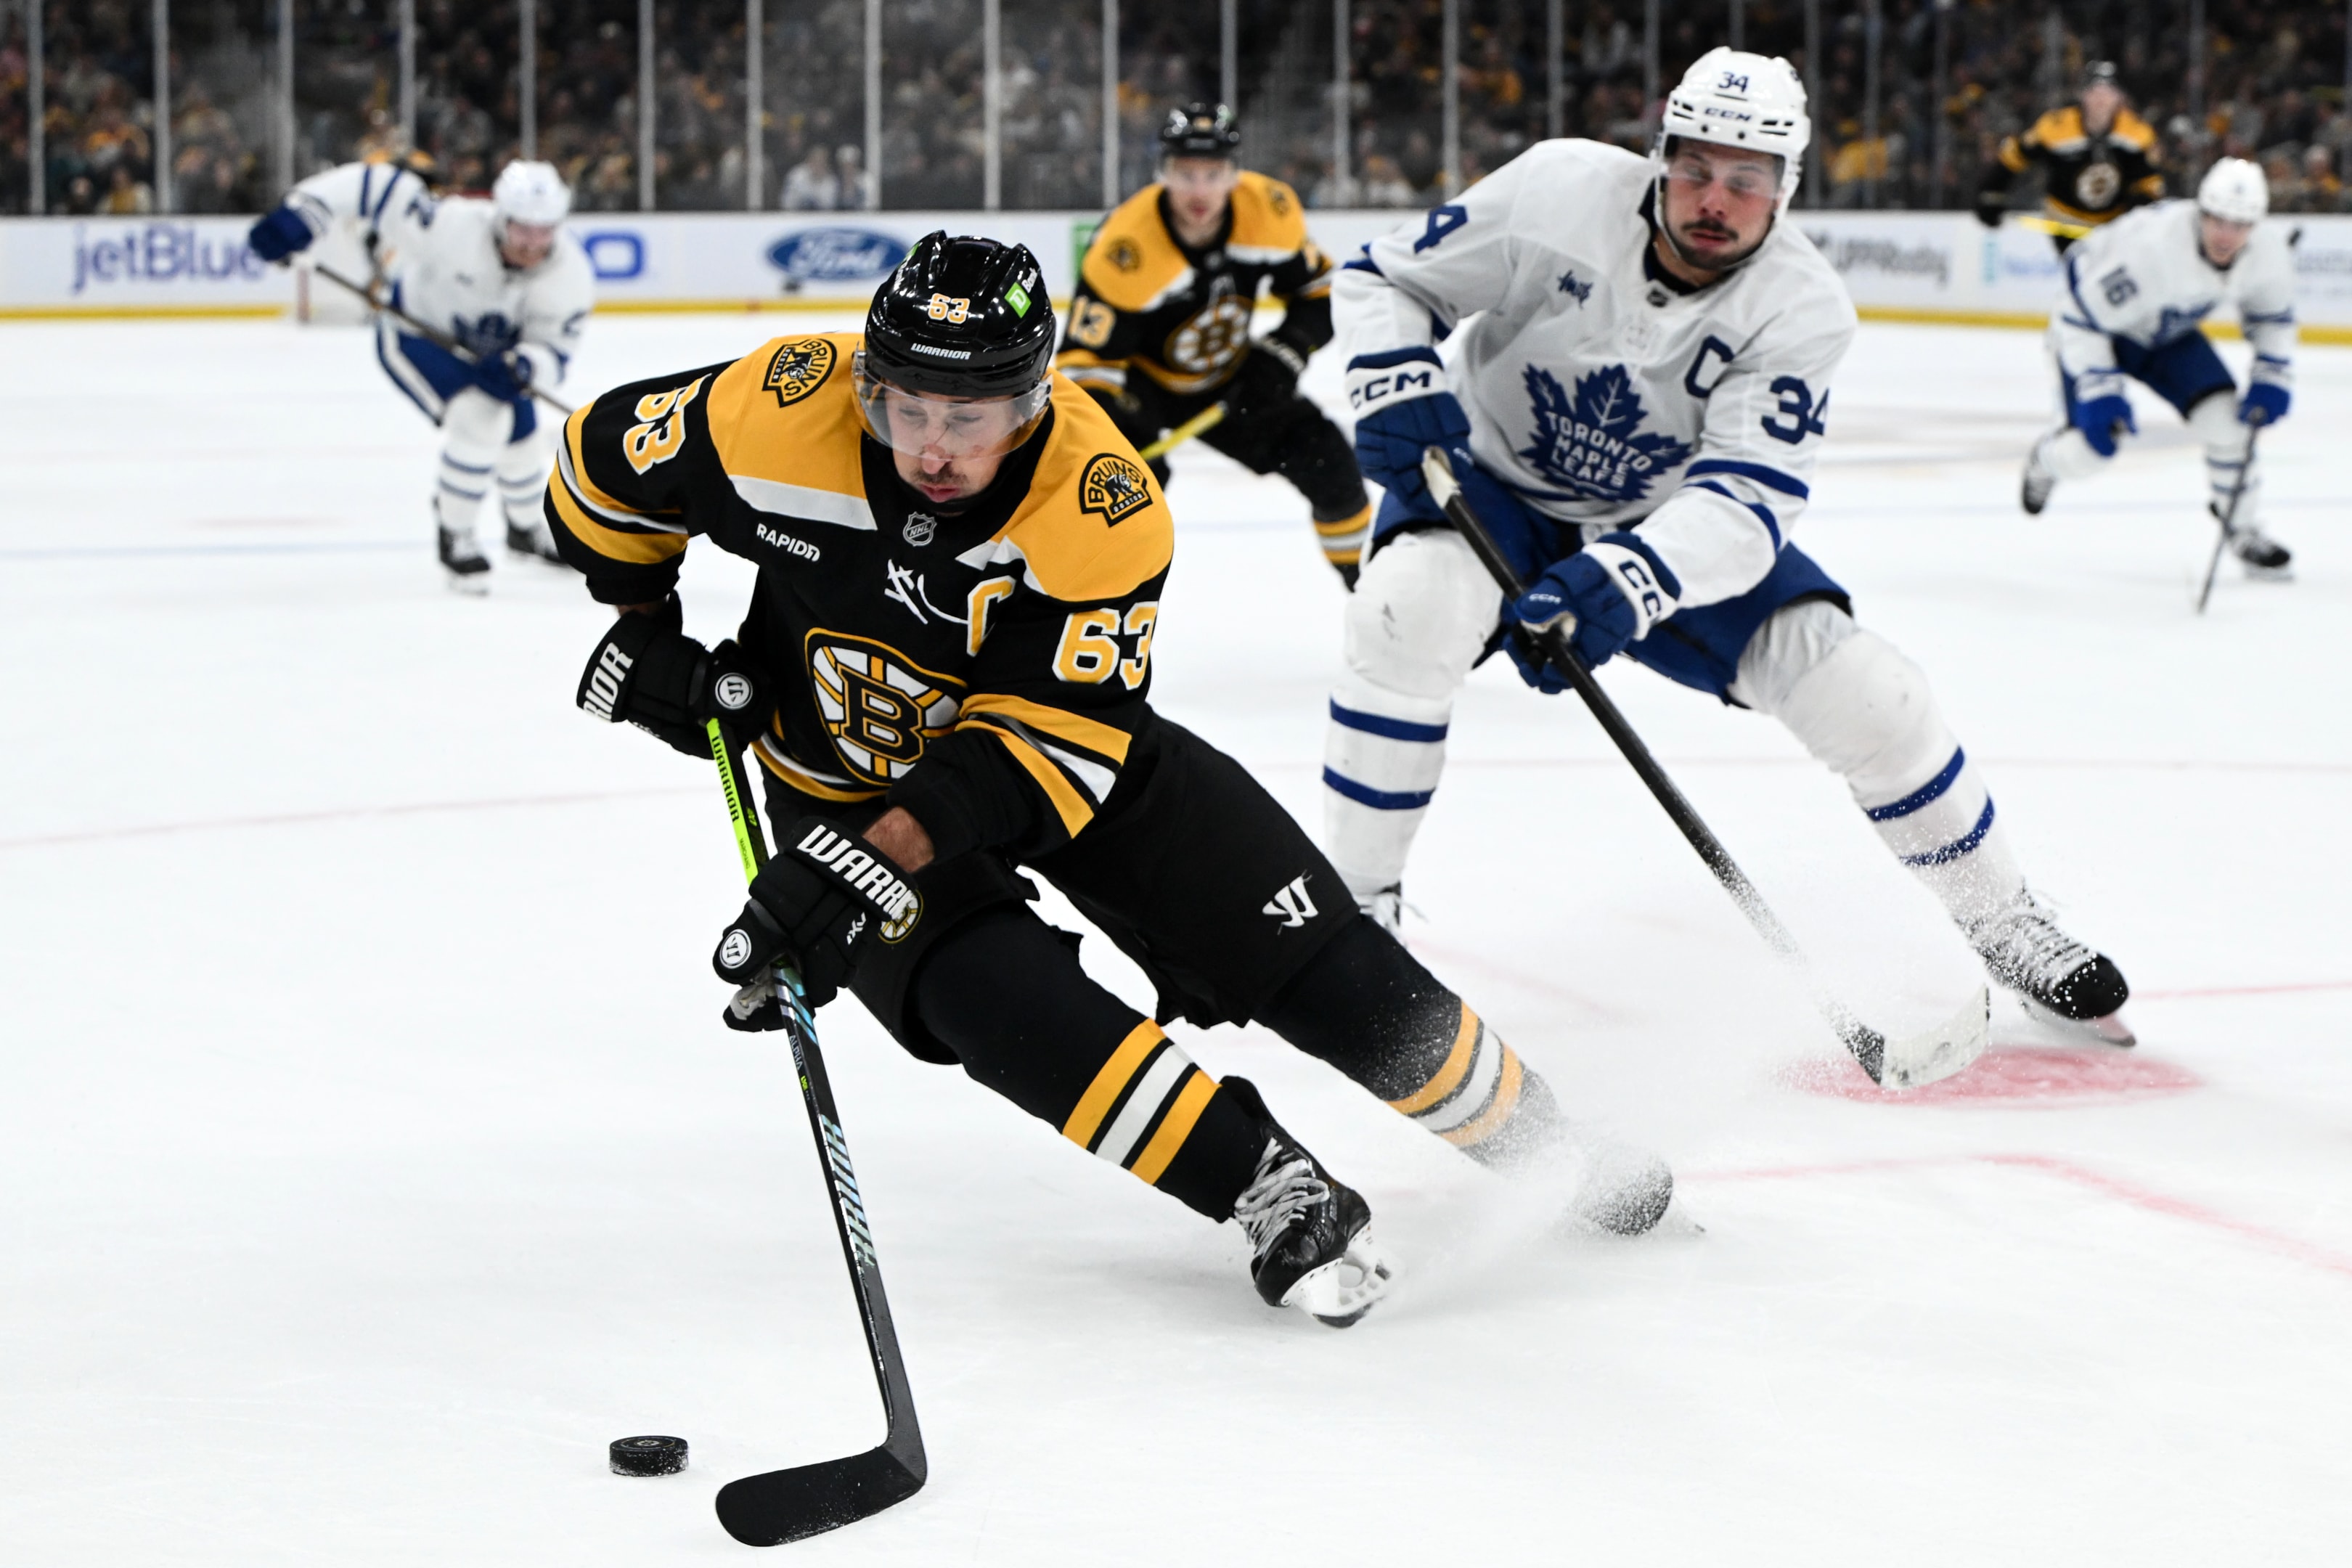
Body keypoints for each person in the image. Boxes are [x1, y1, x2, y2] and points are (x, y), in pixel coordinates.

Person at [547, 233, 1674, 1328]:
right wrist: (649, 630)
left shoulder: (1102, 503)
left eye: (968, 418)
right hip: (837, 780)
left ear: (1031, 402)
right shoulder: (778, 407)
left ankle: (1546, 1146)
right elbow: (598, 463)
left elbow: (1048, 744)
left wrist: (852, 876)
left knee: (1315, 956)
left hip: (1065, 763)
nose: (931, 447)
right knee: (995, 1005)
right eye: (906, 410)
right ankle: (1267, 1184)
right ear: (869, 384)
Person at [1327, 49, 2135, 1043]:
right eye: (1698, 169)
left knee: (1877, 699)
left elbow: (1747, 496)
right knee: (1406, 613)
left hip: (1662, 524)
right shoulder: (1557, 191)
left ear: (1784, 189)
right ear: (1660, 156)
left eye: (1748, 182)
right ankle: (1353, 920)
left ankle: (2004, 920)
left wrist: (1624, 578)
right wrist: (1394, 375)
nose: (1717, 199)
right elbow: (1386, 275)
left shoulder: (1802, 309)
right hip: (1493, 486)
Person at [1055, 103, 1372, 586]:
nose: (1199, 190)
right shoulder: (1126, 246)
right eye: (1186, 174)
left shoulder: (1268, 210)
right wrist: (1113, 435)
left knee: (1329, 464)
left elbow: (1323, 293)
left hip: (1234, 381)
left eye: (1213, 173)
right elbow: (1084, 362)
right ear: (1163, 173)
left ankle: (1372, 593)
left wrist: (1284, 352)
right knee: (1120, 500)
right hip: (1141, 390)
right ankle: (1101, 609)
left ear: (1234, 173)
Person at [248, 158, 595, 589]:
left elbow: (555, 351)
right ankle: (457, 533)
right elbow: (377, 185)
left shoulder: (570, 275)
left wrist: (526, 365)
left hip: (492, 358)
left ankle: (525, 529)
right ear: (502, 217)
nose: (532, 243)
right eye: (523, 229)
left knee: (521, 434)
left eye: (544, 231)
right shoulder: (451, 227)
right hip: (416, 337)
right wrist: (306, 211)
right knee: (481, 420)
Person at [2019, 158, 2295, 576]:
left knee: (2229, 426)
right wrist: (2099, 388)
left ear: (2255, 225)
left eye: (2240, 225)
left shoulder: (2267, 254)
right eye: (2218, 220)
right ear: (2201, 212)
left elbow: (2272, 317)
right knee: (2093, 449)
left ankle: (2242, 529)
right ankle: (2045, 462)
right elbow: (2078, 317)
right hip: (2096, 332)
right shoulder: (2150, 249)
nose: (2226, 235)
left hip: (2165, 333)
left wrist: (2272, 374)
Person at [1975, 62, 2164, 252]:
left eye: (2107, 92)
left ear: (2120, 97)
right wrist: (1992, 193)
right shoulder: (2056, 127)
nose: (2101, 99)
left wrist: (2139, 209)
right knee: (2084, 276)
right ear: (2082, 94)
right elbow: (2015, 156)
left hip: (2113, 227)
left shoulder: (2137, 133)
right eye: (2094, 92)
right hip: (2067, 222)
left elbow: (2149, 182)